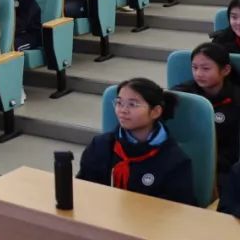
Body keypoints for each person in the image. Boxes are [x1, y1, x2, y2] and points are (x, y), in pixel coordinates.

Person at [77, 78, 196, 206]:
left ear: (155, 112)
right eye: (119, 103)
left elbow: (177, 211)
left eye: (132, 104)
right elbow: (82, 189)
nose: (123, 110)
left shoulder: (175, 161)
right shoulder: (100, 145)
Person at [172, 43, 240, 188]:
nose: (198, 74)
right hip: (189, 160)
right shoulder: (183, 95)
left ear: (225, 70)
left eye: (206, 68)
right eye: (194, 68)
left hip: (225, 165)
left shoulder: (236, 99)